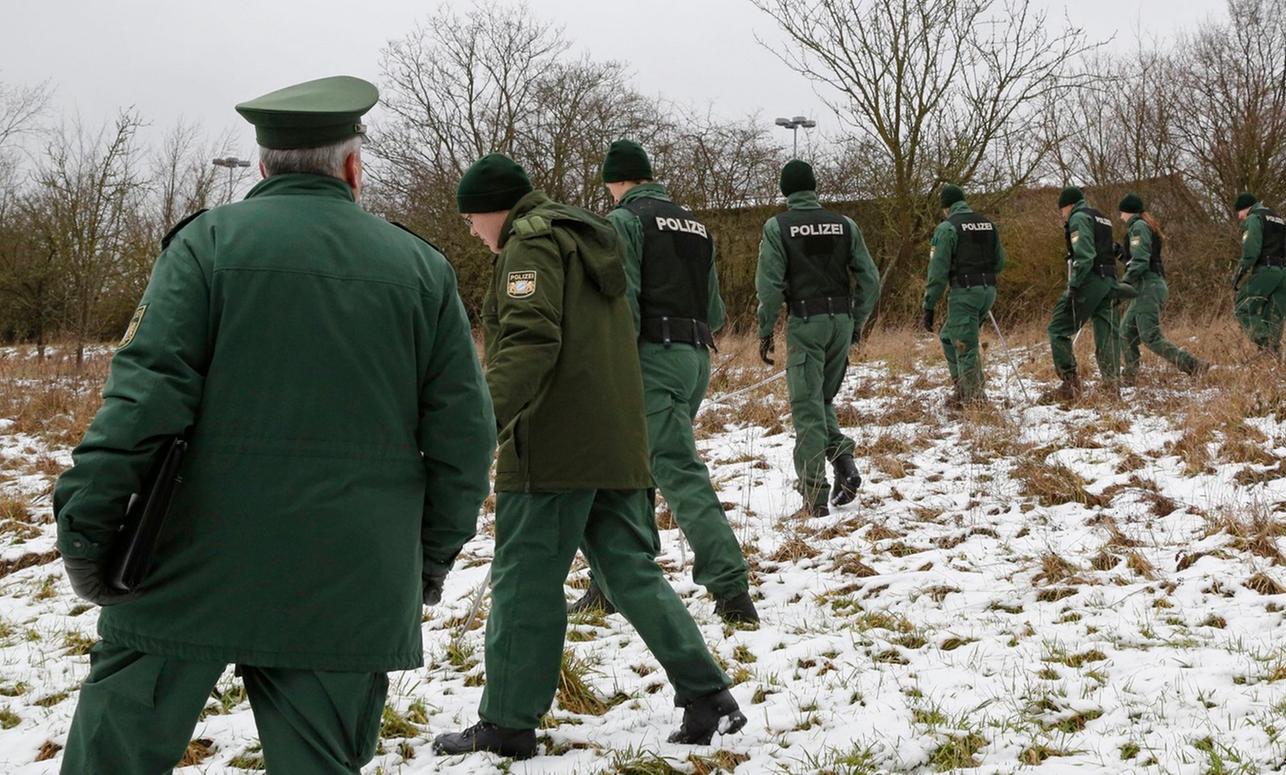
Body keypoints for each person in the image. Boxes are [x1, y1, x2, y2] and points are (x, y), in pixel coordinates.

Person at [52, 75, 497, 774]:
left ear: (263, 166)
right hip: (347, 576)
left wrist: (86, 528)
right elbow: (464, 441)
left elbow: (141, 401)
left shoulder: (204, 247)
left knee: (115, 755)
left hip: (178, 566)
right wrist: (428, 559)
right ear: (352, 166)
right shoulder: (423, 271)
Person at [433, 154, 744, 760]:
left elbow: (529, 340)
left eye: (473, 220)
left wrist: (479, 425)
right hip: (616, 436)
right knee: (629, 570)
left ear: (495, 209)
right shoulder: (591, 240)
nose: (473, 233)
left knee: (524, 580)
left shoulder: (530, 246)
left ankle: (507, 723)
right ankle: (707, 695)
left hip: (554, 445)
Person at [566, 140, 757, 626]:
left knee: (673, 468)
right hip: (694, 358)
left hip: (650, 358)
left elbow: (623, 300)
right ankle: (610, 583)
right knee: (633, 466)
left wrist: (614, 363)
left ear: (616, 181)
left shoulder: (624, 222)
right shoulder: (695, 224)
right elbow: (715, 311)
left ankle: (730, 586)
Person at [754, 160, 881, 518]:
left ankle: (813, 499)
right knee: (822, 400)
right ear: (814, 187)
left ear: (785, 190)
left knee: (807, 410)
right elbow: (869, 279)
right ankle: (844, 462)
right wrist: (856, 321)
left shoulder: (777, 226)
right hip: (841, 319)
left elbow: (769, 287)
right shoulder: (846, 225)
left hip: (806, 322)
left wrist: (765, 330)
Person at [921, 183, 1007, 407]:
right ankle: (962, 387)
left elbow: (937, 271)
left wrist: (929, 304)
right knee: (949, 336)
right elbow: (1000, 262)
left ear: (946, 208)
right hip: (989, 290)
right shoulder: (988, 225)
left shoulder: (947, 228)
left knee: (964, 345)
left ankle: (975, 401)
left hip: (965, 293)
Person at [1045, 186, 1131, 400]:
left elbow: (1084, 256)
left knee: (1058, 329)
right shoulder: (1102, 218)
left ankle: (1069, 384)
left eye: (1061, 210)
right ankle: (1112, 386)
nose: (1062, 215)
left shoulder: (1078, 218)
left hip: (1090, 280)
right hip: (1110, 279)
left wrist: (1074, 286)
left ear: (1069, 205)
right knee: (1107, 334)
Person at [1114, 193, 1203, 380]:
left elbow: (1140, 261)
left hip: (1148, 286)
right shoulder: (1143, 226)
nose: (1120, 217)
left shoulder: (1138, 226)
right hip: (1147, 286)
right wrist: (1120, 253)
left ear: (1128, 212)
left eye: (1121, 213)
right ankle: (1130, 376)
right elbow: (1138, 258)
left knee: (1150, 336)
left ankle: (1194, 366)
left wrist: (1123, 285)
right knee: (1125, 332)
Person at [1230, 192, 1286, 355]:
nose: (1240, 217)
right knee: (1274, 314)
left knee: (1243, 307)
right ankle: (1275, 354)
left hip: (1266, 269)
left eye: (1239, 213)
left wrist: (1238, 275)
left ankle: (1266, 345)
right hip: (1283, 272)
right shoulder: (1278, 218)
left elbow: (1251, 251)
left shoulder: (1254, 218)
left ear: (1245, 208)